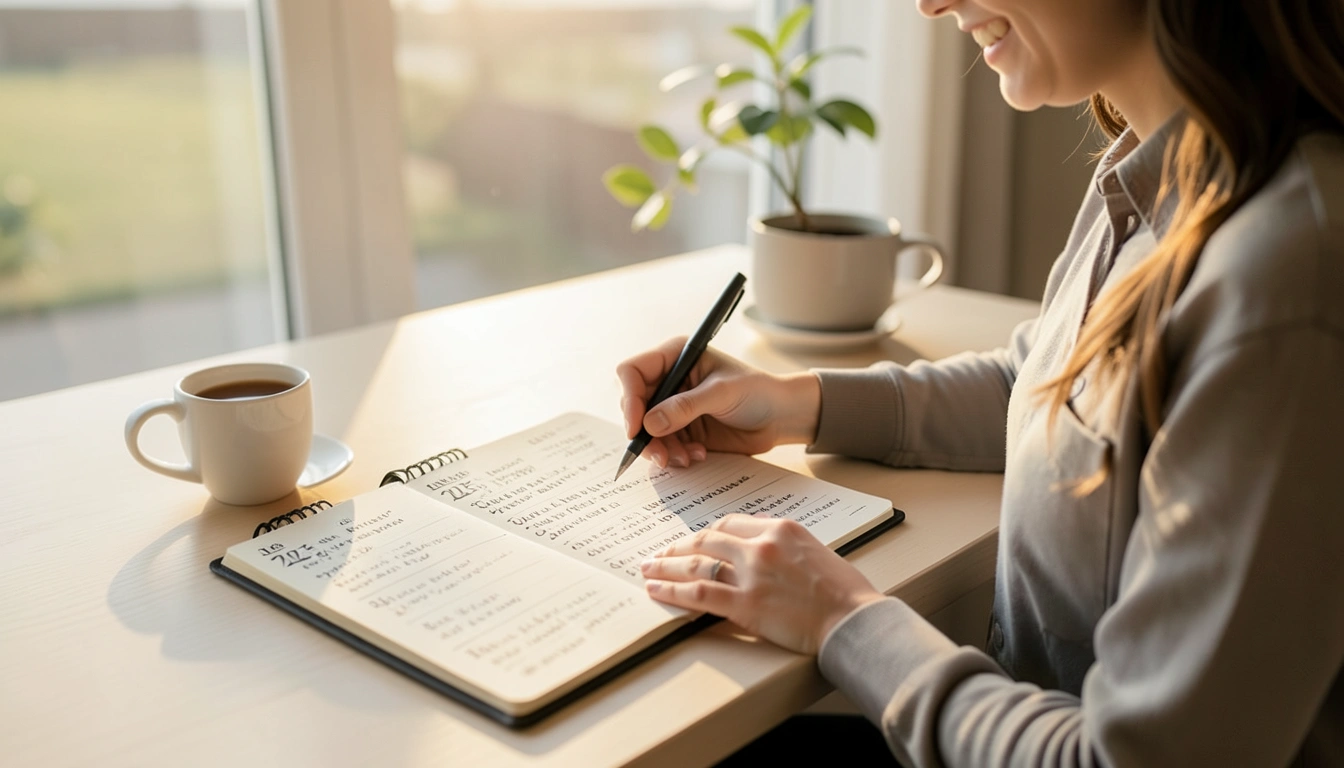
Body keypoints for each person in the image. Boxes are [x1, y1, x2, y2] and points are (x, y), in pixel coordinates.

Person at [616, 0, 1344, 765]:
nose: (930, 3)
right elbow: (1048, 383)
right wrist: (796, 404)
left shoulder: (1289, 289)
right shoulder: (1159, 176)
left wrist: (841, 618)